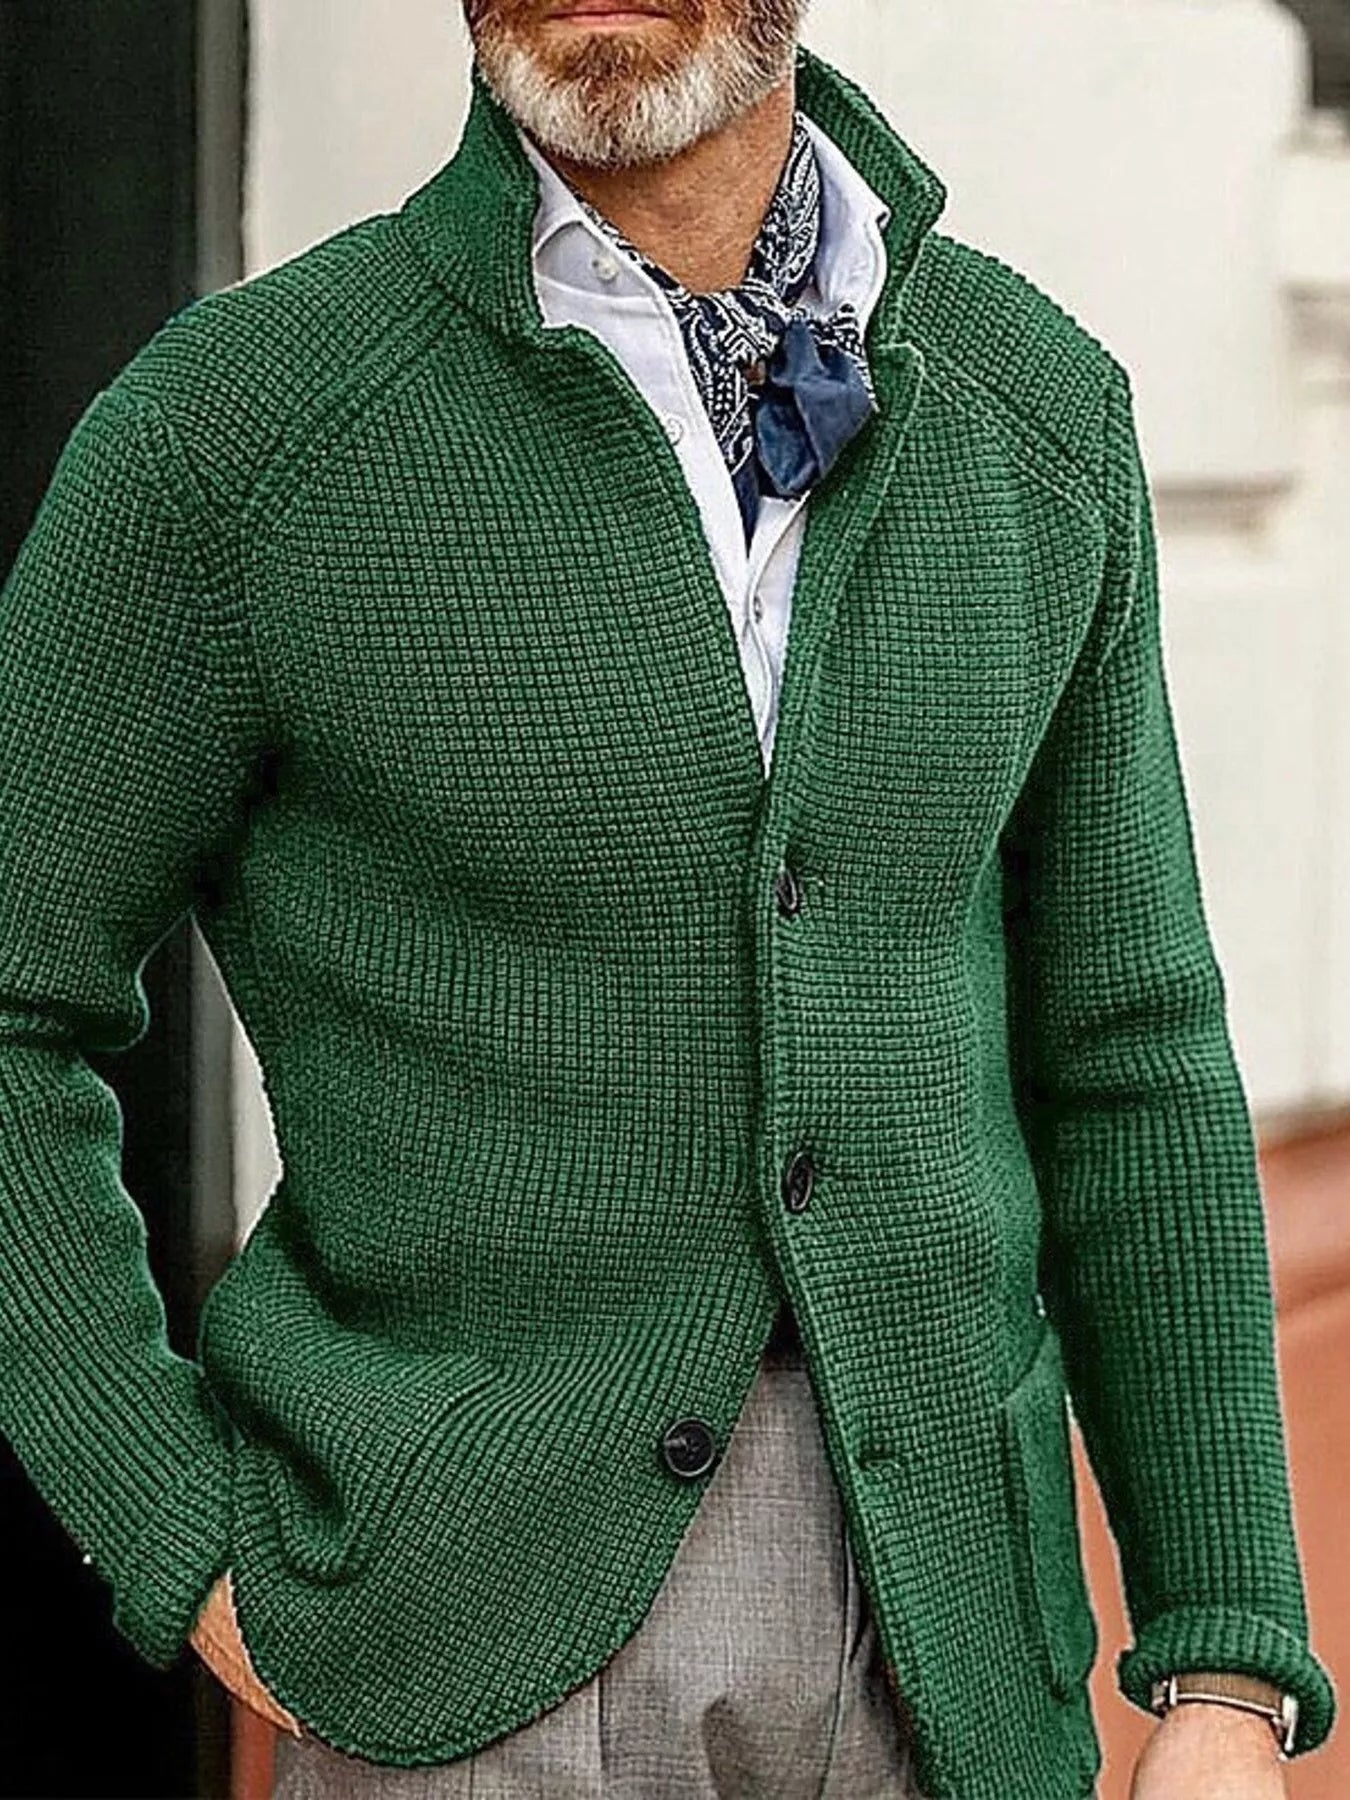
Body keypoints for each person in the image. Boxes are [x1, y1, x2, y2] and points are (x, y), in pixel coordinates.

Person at [0, 1, 1335, 1796]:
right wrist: (169, 1527)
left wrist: (1224, 1656)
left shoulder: (1034, 410)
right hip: (455, 1642)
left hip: (953, 1639)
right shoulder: (237, 433)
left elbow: (1129, 1048)